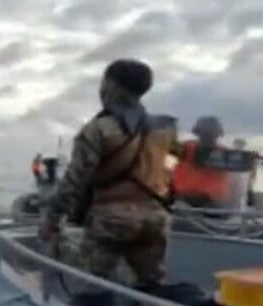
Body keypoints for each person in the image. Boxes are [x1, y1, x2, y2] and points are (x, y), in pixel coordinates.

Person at [39, 59, 177, 293]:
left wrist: (51, 221)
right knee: (154, 287)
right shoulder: (164, 130)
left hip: (111, 220)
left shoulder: (98, 130)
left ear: (111, 86)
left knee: (90, 288)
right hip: (156, 220)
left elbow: (74, 182)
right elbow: (170, 170)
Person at [172, 116, 230, 208]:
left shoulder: (225, 154)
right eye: (204, 134)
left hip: (211, 201)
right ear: (198, 134)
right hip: (183, 198)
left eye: (211, 135)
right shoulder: (186, 148)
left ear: (217, 135)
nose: (208, 138)